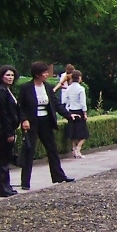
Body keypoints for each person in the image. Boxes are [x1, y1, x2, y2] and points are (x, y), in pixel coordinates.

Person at [19, 61, 75, 189]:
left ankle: (59, 176)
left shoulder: (48, 87)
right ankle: (25, 182)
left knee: (52, 149)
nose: (47, 74)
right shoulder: (26, 88)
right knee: (29, 150)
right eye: (44, 72)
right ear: (37, 74)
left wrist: (68, 115)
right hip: (31, 122)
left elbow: (55, 104)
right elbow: (20, 106)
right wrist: (24, 120)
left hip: (45, 121)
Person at [0, 65, 21, 197]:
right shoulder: (1, 91)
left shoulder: (7, 90)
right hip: (3, 130)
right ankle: (2, 188)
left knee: (5, 160)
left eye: (12, 75)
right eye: (7, 75)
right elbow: (3, 114)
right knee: (2, 160)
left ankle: (6, 186)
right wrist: (9, 132)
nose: (10, 77)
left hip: (7, 128)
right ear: (1, 76)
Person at [62, 70, 89, 158]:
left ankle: (74, 149)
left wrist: (67, 110)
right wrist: (85, 113)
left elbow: (65, 100)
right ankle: (78, 149)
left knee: (73, 133)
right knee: (84, 134)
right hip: (79, 111)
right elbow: (83, 102)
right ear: (79, 78)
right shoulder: (81, 89)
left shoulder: (68, 88)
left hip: (71, 111)